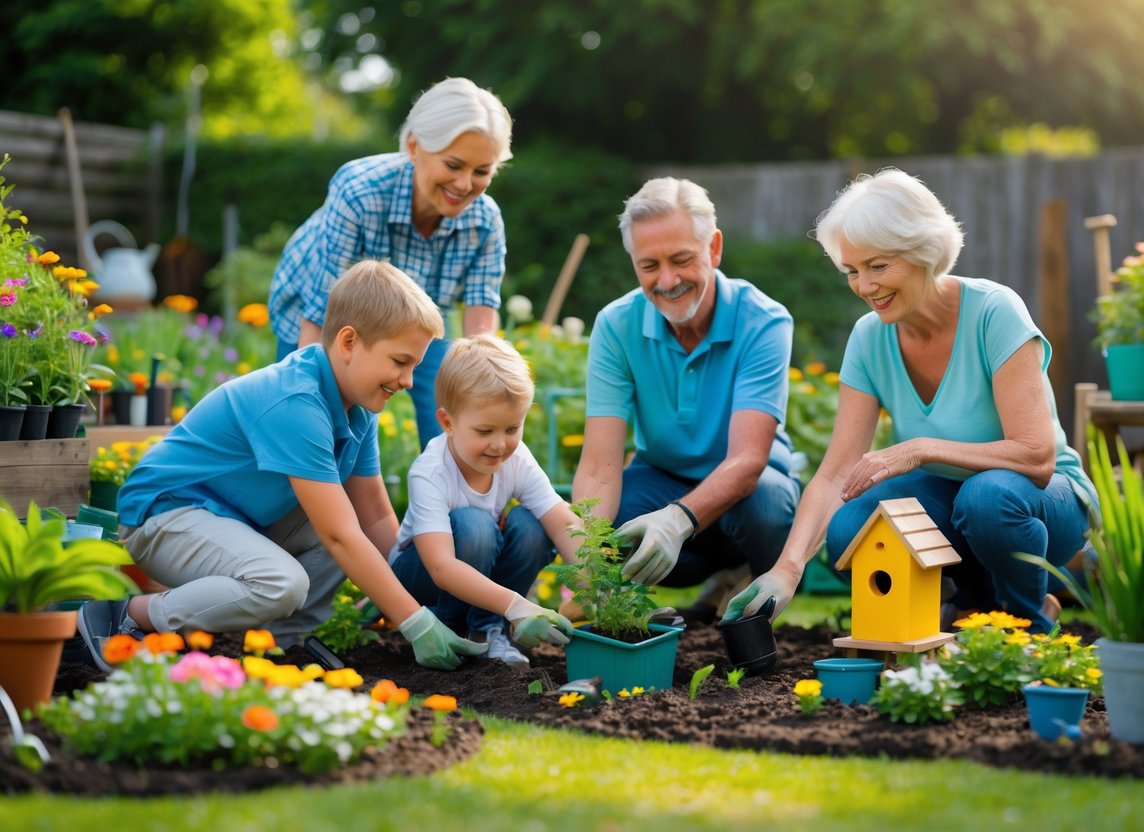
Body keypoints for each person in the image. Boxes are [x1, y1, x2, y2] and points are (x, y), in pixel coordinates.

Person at [723, 169, 1099, 634]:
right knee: (852, 526)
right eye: (852, 272)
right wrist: (788, 568)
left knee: (986, 498)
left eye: (878, 266)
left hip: (1040, 501)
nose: (864, 286)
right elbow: (837, 470)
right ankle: (975, 606)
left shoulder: (994, 312)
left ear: (923, 252)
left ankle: (1028, 620)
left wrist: (920, 448)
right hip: (956, 503)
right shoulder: (869, 339)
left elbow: (1036, 456)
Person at [76, 260, 493, 672]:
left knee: (344, 526)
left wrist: (412, 601)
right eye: (400, 362)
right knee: (284, 581)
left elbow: (375, 515)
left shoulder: (357, 410)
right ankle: (125, 616)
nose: (407, 380)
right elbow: (340, 535)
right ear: (348, 343)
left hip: (231, 518)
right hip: (164, 517)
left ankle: (288, 649)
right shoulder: (296, 402)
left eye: (416, 367)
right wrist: (414, 622)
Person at [571, 177, 801, 606]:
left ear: (714, 248)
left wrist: (677, 521)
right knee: (613, 523)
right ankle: (710, 576)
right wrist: (590, 568)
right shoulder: (615, 325)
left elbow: (748, 461)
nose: (668, 279)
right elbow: (600, 468)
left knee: (766, 504)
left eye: (681, 259)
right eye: (649, 266)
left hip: (747, 494)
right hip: (663, 481)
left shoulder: (764, 320)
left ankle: (753, 577)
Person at [268, 77, 512, 446]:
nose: (465, 185)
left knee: (456, 417)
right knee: (314, 415)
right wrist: (310, 409)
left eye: (481, 172)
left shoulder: (485, 220)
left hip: (422, 321)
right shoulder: (360, 192)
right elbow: (322, 316)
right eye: (454, 165)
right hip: (321, 313)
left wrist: (482, 405)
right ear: (414, 146)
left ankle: (458, 499)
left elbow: (480, 333)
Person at [389, 334, 578, 667]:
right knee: (474, 524)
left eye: (512, 428)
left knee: (533, 524)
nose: (500, 444)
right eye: (485, 431)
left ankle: (489, 633)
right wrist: (517, 604)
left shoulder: (516, 459)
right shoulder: (431, 472)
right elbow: (441, 567)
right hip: (421, 579)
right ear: (448, 422)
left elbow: (559, 517)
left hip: (478, 567)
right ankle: (449, 629)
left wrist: (593, 578)